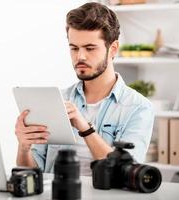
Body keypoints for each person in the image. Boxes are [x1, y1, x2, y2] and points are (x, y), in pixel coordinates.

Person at [14, 2, 154, 175]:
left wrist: (85, 128)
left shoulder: (138, 108)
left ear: (113, 49)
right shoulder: (58, 100)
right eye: (74, 48)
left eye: (90, 48)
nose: (80, 56)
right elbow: (32, 174)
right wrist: (24, 148)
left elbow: (124, 173)